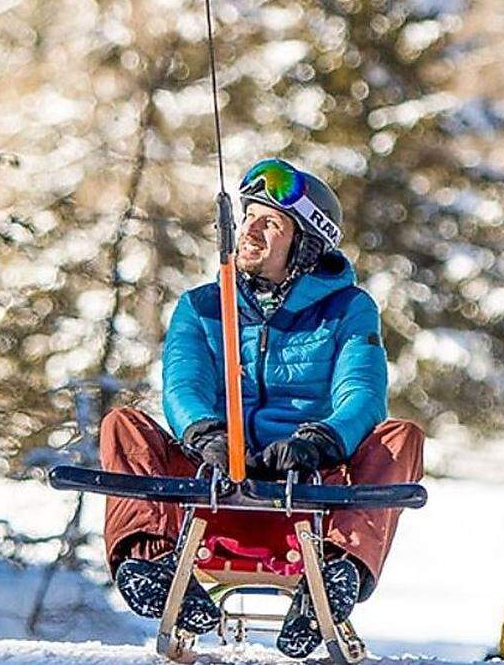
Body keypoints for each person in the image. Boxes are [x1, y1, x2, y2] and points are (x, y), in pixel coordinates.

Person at [99, 158, 424, 658]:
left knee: (401, 437)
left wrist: (320, 441)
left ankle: (337, 579)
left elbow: (361, 392)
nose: (250, 229)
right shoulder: (204, 305)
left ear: (304, 245)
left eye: (270, 221)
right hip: (212, 479)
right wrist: (203, 431)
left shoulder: (349, 309)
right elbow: (183, 383)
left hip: (309, 491)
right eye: (248, 215)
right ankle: (153, 569)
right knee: (123, 426)